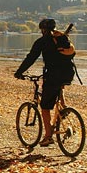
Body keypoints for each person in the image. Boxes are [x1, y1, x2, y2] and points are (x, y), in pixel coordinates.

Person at [14, 18, 75, 147]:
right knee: (58, 86)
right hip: (68, 74)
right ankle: (63, 107)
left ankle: (48, 136)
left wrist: (19, 72)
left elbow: (31, 58)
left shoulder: (42, 42)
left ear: (43, 30)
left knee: (45, 107)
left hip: (53, 76)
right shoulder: (62, 38)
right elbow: (71, 53)